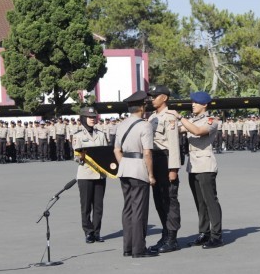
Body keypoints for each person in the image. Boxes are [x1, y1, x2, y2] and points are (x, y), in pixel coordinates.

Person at [167, 91, 223, 249]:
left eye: (196, 102)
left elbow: (198, 131)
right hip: (193, 166)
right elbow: (177, 130)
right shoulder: (191, 120)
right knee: (199, 202)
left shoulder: (211, 120)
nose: (193, 104)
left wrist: (180, 118)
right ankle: (204, 233)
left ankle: (216, 235)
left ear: (204, 105)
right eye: (192, 102)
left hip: (206, 165)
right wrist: (170, 123)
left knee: (210, 201)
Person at [113, 91, 158, 258]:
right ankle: (139, 249)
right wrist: (151, 175)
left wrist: (124, 164)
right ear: (142, 107)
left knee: (128, 209)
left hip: (124, 168)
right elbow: (147, 153)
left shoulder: (121, 125)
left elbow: (116, 150)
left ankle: (128, 247)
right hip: (139, 169)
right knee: (139, 210)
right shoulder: (144, 125)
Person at [147, 85, 182, 253]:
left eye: (155, 96)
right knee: (159, 200)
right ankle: (165, 232)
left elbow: (174, 144)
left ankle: (172, 238)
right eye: (151, 96)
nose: (151, 99)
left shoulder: (170, 117)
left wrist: (173, 168)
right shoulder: (152, 117)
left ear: (165, 98)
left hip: (166, 159)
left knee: (169, 200)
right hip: (154, 160)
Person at [73, 107, 108, 244]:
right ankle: (88, 232)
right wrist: (81, 156)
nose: (93, 119)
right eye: (90, 116)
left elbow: (106, 152)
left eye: (94, 116)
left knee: (98, 206)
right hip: (85, 174)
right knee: (86, 205)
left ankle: (97, 232)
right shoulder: (78, 135)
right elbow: (76, 157)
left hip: (100, 174)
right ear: (83, 118)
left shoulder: (101, 134)